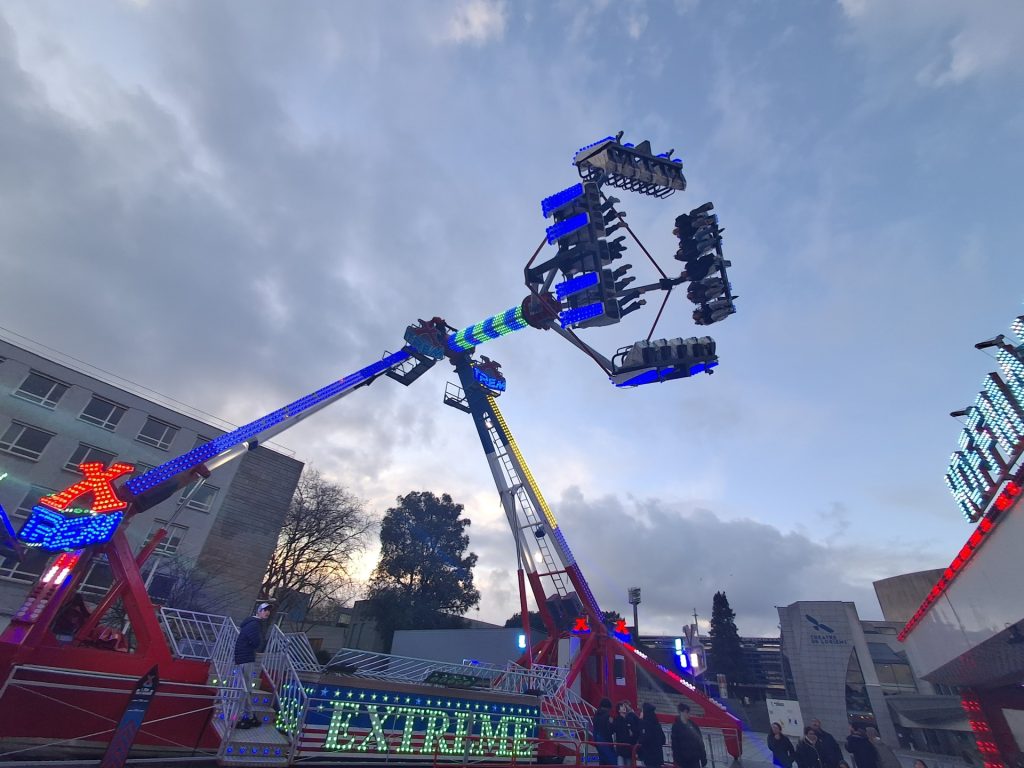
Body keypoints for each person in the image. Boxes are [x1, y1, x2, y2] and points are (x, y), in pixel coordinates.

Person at [233, 602, 271, 729]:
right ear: (259, 611)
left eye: (268, 611)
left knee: (246, 688)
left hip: (243, 658)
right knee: (245, 689)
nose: (267, 613)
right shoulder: (254, 624)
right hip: (246, 658)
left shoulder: (251, 623)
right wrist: (258, 644)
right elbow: (256, 642)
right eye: (265, 610)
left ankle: (249, 716)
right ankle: (240, 718)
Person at [670, 703, 707, 768]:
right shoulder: (676, 727)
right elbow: (675, 745)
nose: (688, 714)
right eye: (686, 712)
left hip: (694, 759)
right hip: (683, 760)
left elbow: (700, 742)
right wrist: (677, 759)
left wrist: (703, 757)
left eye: (688, 712)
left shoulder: (693, 725)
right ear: (681, 712)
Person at [637, 703, 666, 768]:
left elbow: (643, 739)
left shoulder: (644, 724)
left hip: (649, 757)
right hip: (658, 757)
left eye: (642, 711)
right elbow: (663, 739)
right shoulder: (657, 724)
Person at [613, 701, 641, 766]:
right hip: (620, 748)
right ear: (618, 710)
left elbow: (635, 732)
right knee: (620, 765)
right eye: (622, 706)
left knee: (629, 765)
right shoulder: (617, 720)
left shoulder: (630, 719)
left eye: (624, 706)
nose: (624, 707)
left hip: (629, 748)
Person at [593, 697, 616, 766]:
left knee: (602, 759)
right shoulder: (607, 716)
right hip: (605, 739)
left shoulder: (596, 715)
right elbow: (610, 729)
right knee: (613, 760)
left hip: (596, 737)